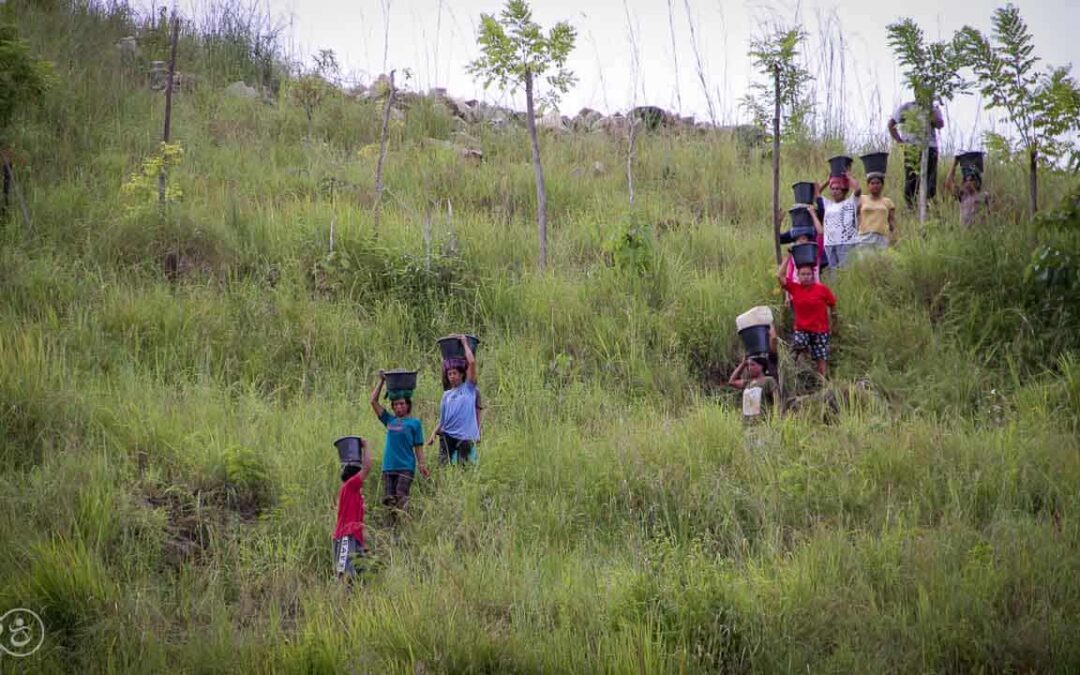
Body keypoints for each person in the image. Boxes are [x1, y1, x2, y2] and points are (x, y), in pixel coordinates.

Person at [370, 372, 429, 525]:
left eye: (402, 404)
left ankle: (406, 526)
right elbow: (373, 401)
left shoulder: (414, 423)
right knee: (389, 500)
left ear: (408, 404)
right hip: (389, 466)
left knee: (401, 496)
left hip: (406, 467)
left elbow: (418, 447)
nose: (399, 407)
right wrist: (382, 381)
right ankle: (391, 531)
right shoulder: (389, 420)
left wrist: (422, 465)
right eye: (396, 405)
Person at [777, 257, 837, 378]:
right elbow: (780, 276)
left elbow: (833, 305)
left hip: (820, 330)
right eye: (803, 274)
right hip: (802, 329)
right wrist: (788, 258)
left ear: (813, 275)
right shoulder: (795, 288)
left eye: (809, 274)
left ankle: (823, 383)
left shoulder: (822, 289)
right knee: (798, 344)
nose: (806, 276)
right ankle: (798, 368)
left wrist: (835, 324)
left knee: (821, 357)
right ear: (798, 276)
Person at [428, 335, 480, 465]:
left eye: (454, 373)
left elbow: (472, 363)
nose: (452, 376)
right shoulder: (447, 395)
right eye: (449, 374)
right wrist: (433, 434)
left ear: (461, 374)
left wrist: (464, 343)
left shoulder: (469, 388)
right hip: (447, 435)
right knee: (443, 465)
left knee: (464, 466)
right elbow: (443, 420)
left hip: (465, 437)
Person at [888, 100, 944, 209]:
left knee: (930, 179)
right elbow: (891, 124)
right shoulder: (907, 107)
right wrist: (900, 142)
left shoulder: (934, 108)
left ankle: (928, 206)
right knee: (911, 179)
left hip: (930, 147)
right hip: (912, 148)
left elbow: (940, 124)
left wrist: (932, 111)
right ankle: (911, 207)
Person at [332, 439, 371, 582]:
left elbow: (360, 522)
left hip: (355, 539)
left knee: (359, 578)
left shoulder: (357, 495)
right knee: (343, 575)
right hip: (345, 537)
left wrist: (365, 546)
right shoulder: (349, 486)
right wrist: (366, 446)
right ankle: (338, 602)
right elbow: (367, 467)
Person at [818, 172, 860, 270]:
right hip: (829, 243)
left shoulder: (851, 201)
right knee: (833, 272)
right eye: (832, 189)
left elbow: (857, 189)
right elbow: (816, 193)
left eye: (837, 189)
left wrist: (849, 177)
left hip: (846, 242)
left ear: (844, 191)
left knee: (846, 270)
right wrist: (828, 181)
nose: (835, 191)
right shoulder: (827, 204)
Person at [728, 355, 780, 423]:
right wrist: (743, 364)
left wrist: (776, 419)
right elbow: (731, 382)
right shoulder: (747, 383)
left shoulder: (768, 380)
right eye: (748, 365)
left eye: (752, 365)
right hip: (746, 425)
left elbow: (777, 401)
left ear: (761, 366)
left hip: (762, 424)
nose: (749, 368)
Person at [945, 160, 991, 227]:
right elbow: (948, 182)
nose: (968, 182)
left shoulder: (983, 196)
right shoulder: (962, 195)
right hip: (964, 234)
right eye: (966, 179)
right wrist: (955, 163)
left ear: (977, 182)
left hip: (979, 233)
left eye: (971, 179)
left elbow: (990, 214)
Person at [857, 173, 896, 249]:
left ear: (882, 185)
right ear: (868, 185)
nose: (875, 186)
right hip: (864, 236)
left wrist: (894, 236)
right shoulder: (861, 199)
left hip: (882, 237)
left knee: (880, 260)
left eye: (878, 183)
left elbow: (891, 220)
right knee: (864, 260)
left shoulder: (888, 201)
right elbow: (855, 216)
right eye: (872, 183)